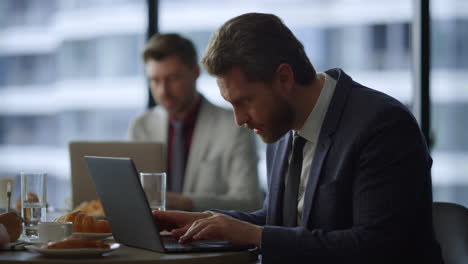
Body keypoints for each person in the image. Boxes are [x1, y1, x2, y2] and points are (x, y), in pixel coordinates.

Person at [151, 13, 444, 264]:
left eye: (245, 101)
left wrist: (254, 235)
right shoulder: (281, 126)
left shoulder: (382, 125)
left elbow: (376, 247)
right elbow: (281, 223)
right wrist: (204, 220)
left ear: (283, 78)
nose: (239, 119)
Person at [129, 33, 261, 212]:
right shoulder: (141, 126)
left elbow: (249, 202)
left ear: (195, 73)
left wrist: (185, 203)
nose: (163, 91)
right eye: (155, 80)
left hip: (210, 238)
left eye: (173, 79)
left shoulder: (234, 126)